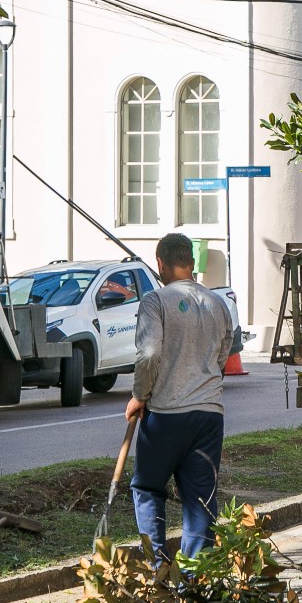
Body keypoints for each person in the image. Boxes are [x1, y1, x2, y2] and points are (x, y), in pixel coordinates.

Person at [127, 233, 235, 561]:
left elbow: (149, 355)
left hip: (166, 415)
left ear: (160, 263)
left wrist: (139, 395)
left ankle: (159, 569)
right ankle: (198, 581)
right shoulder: (218, 304)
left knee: (147, 489)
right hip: (208, 416)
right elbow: (223, 353)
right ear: (191, 262)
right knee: (200, 499)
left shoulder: (155, 301)